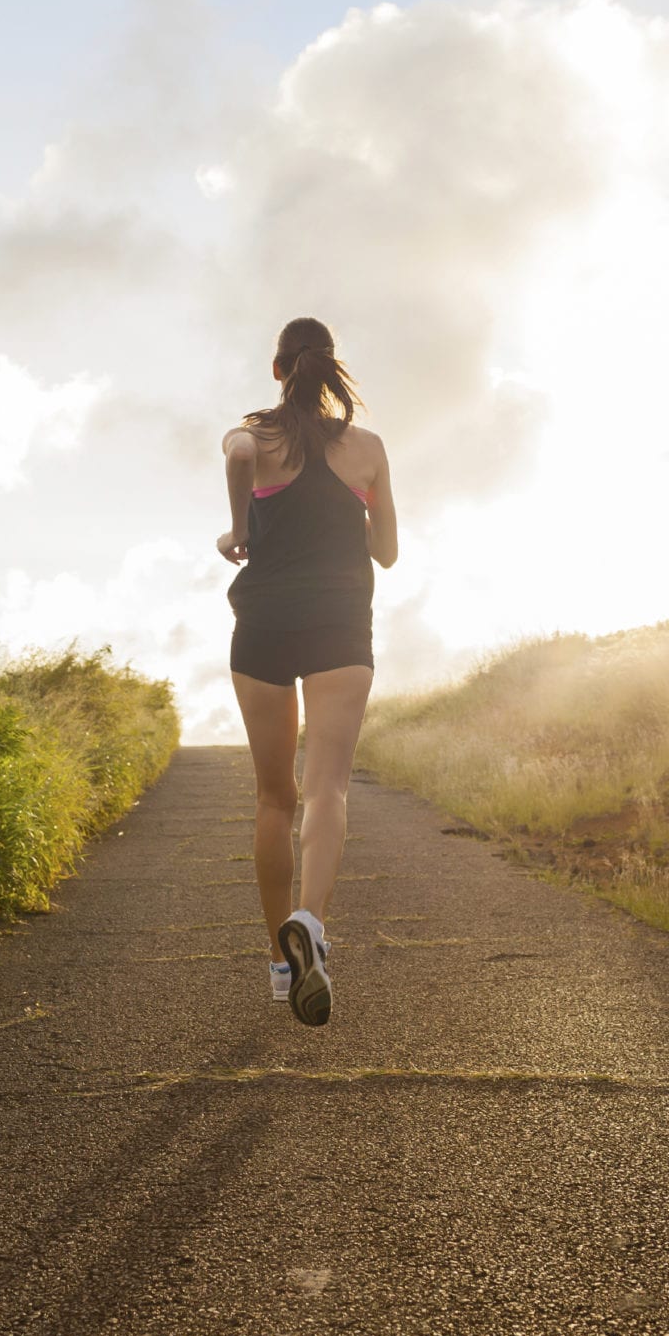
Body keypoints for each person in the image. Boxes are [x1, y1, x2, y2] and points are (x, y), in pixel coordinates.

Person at [217, 316, 398, 1027]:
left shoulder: (255, 434)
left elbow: (236, 456)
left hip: (262, 621)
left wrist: (239, 529)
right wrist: (360, 511)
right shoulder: (367, 448)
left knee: (274, 799)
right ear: (327, 369)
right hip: (341, 625)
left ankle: (279, 962)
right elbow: (385, 553)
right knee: (328, 790)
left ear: (277, 370)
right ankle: (311, 926)